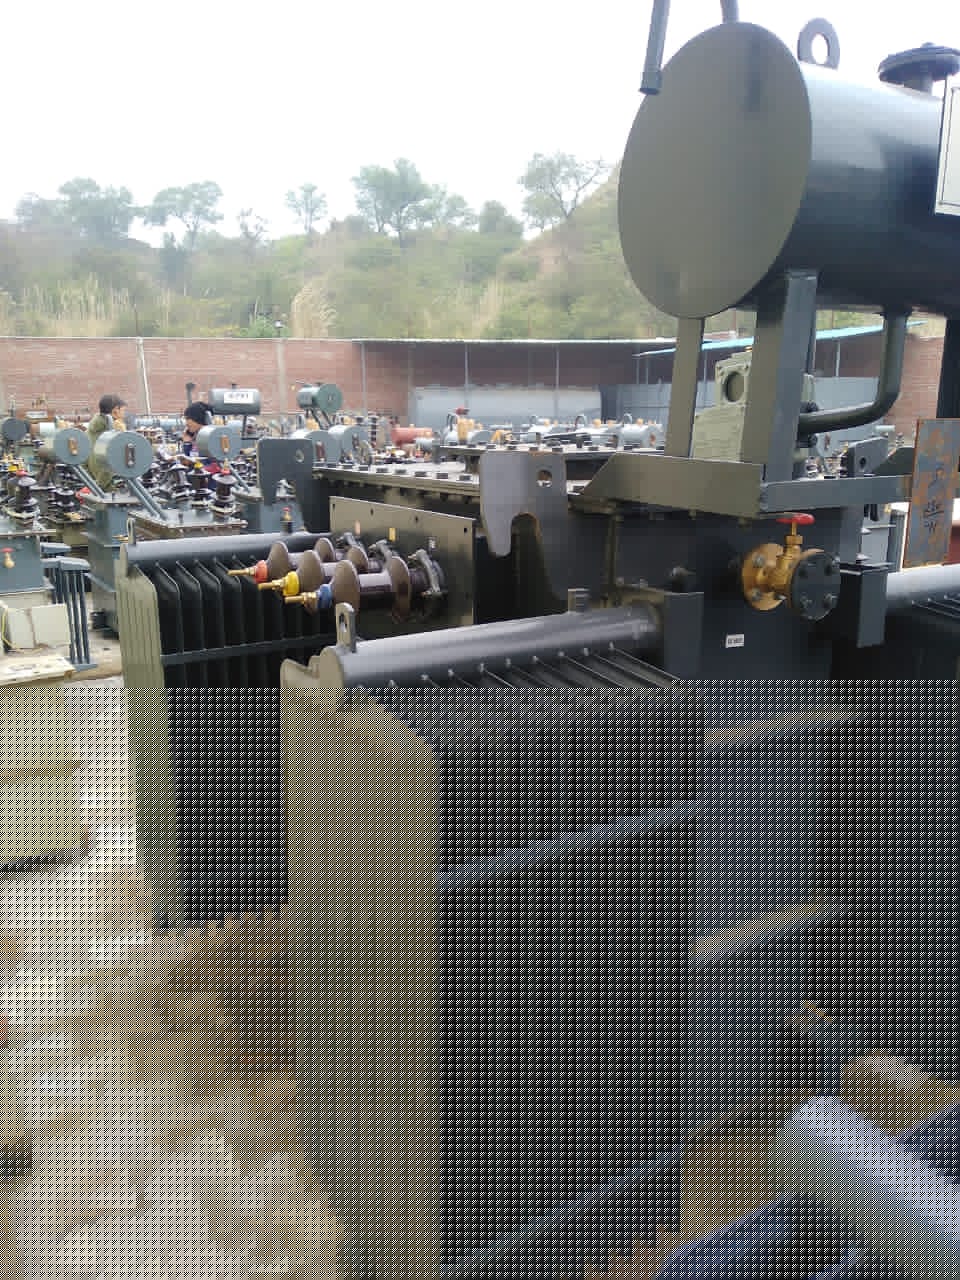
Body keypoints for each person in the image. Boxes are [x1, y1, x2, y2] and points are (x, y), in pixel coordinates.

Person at [86, 395, 127, 490]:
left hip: (92, 483)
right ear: (115, 410)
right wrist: (123, 435)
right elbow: (110, 463)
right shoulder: (110, 435)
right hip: (108, 489)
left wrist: (90, 484)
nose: (124, 414)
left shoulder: (91, 430)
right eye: (123, 410)